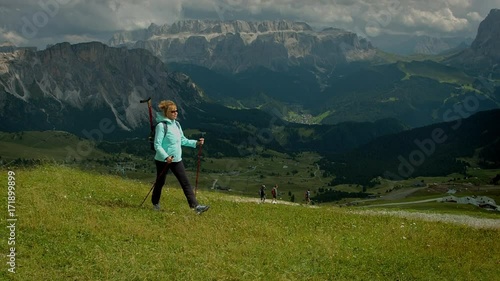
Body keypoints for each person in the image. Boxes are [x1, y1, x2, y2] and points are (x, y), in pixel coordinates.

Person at [151, 100, 209, 214]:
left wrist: (196, 143)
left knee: (185, 182)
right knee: (160, 182)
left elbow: (182, 140)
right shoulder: (161, 126)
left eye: (176, 111)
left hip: (177, 160)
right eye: (172, 111)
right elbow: (157, 144)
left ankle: (195, 207)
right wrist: (166, 157)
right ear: (166, 113)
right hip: (163, 160)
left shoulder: (177, 124)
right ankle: (155, 203)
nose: (175, 113)